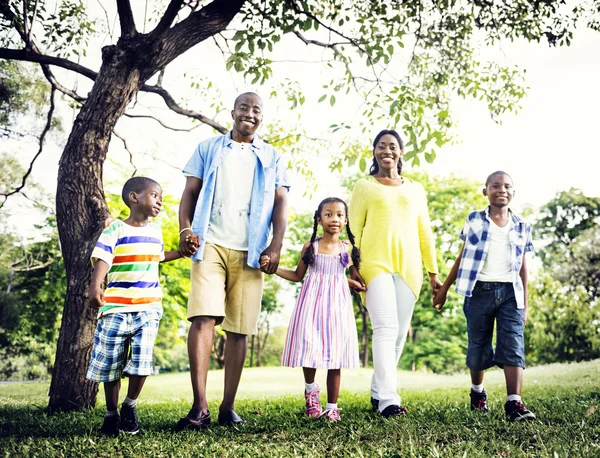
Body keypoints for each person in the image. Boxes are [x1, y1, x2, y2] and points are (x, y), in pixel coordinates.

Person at [176, 92, 289, 429]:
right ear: (233, 112)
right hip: (209, 243)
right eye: (243, 108)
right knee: (203, 318)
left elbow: (281, 202)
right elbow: (190, 193)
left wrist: (276, 245)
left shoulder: (272, 156)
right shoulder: (209, 148)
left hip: (251, 251)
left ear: (261, 117)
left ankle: (227, 407)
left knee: (238, 329)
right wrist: (185, 229)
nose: (249, 114)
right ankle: (200, 406)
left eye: (256, 110)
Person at [349, 129, 441, 418]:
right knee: (385, 328)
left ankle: (378, 392)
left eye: (392, 146)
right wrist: (351, 266)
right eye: (381, 146)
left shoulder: (415, 189)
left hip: (409, 267)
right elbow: (353, 229)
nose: (387, 150)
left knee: (399, 334)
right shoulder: (363, 186)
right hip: (373, 263)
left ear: (401, 152)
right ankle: (390, 399)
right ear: (374, 152)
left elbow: (424, 231)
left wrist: (433, 272)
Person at [433, 171, 536, 422]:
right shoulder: (474, 220)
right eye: (496, 185)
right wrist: (444, 289)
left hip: (511, 294)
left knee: (513, 345)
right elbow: (463, 255)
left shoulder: (522, 226)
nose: (502, 189)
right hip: (478, 291)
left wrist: (525, 305)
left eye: (507, 186)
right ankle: (478, 393)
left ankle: (514, 403)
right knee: (478, 347)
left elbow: (523, 266)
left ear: (513, 192)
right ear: (486, 191)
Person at [86, 177, 184, 436]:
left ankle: (130, 406)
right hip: (115, 307)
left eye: (160, 197)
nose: (160, 201)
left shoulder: (156, 230)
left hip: (148, 307)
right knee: (111, 364)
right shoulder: (115, 229)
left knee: (142, 361)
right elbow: (103, 258)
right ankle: (110, 414)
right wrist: (96, 286)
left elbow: (159, 257)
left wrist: (182, 253)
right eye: (154, 195)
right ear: (134, 197)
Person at [261, 198, 364, 422]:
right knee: (310, 348)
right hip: (311, 304)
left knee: (336, 355)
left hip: (338, 306)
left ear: (345, 220)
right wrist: (274, 269)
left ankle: (332, 407)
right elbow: (298, 276)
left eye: (339, 215)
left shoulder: (348, 248)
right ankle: (310, 391)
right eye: (328, 214)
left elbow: (347, 277)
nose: (334, 219)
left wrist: (352, 282)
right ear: (319, 219)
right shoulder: (311, 247)